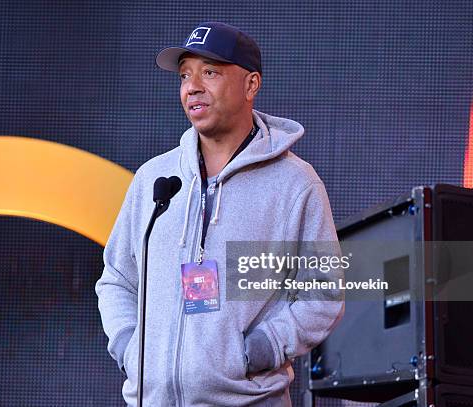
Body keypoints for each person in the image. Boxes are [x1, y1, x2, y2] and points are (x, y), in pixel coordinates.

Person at [95, 22, 344, 407]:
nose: (192, 87)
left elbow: (324, 293)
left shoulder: (296, 184)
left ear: (250, 85)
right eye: (184, 75)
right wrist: (131, 348)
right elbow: (116, 280)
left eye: (209, 72)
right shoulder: (154, 179)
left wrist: (258, 350)